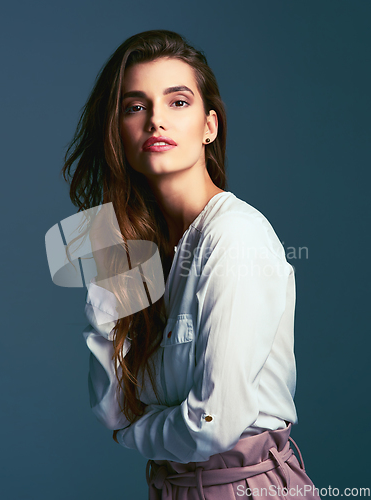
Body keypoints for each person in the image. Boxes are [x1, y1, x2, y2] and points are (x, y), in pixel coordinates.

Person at [61, 30, 320, 500]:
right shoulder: (126, 244)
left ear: (209, 126)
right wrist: (110, 249)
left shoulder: (235, 235)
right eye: (135, 106)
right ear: (117, 128)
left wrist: (137, 433)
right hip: (173, 488)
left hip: (243, 487)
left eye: (178, 102)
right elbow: (109, 405)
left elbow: (214, 423)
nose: (156, 120)